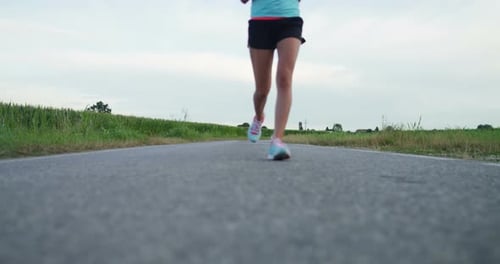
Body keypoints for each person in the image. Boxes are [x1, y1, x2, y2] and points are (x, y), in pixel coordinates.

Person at [241, 0, 305, 160]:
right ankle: (259, 117)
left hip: (289, 19)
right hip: (260, 22)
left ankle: (277, 141)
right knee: (262, 90)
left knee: (284, 78)